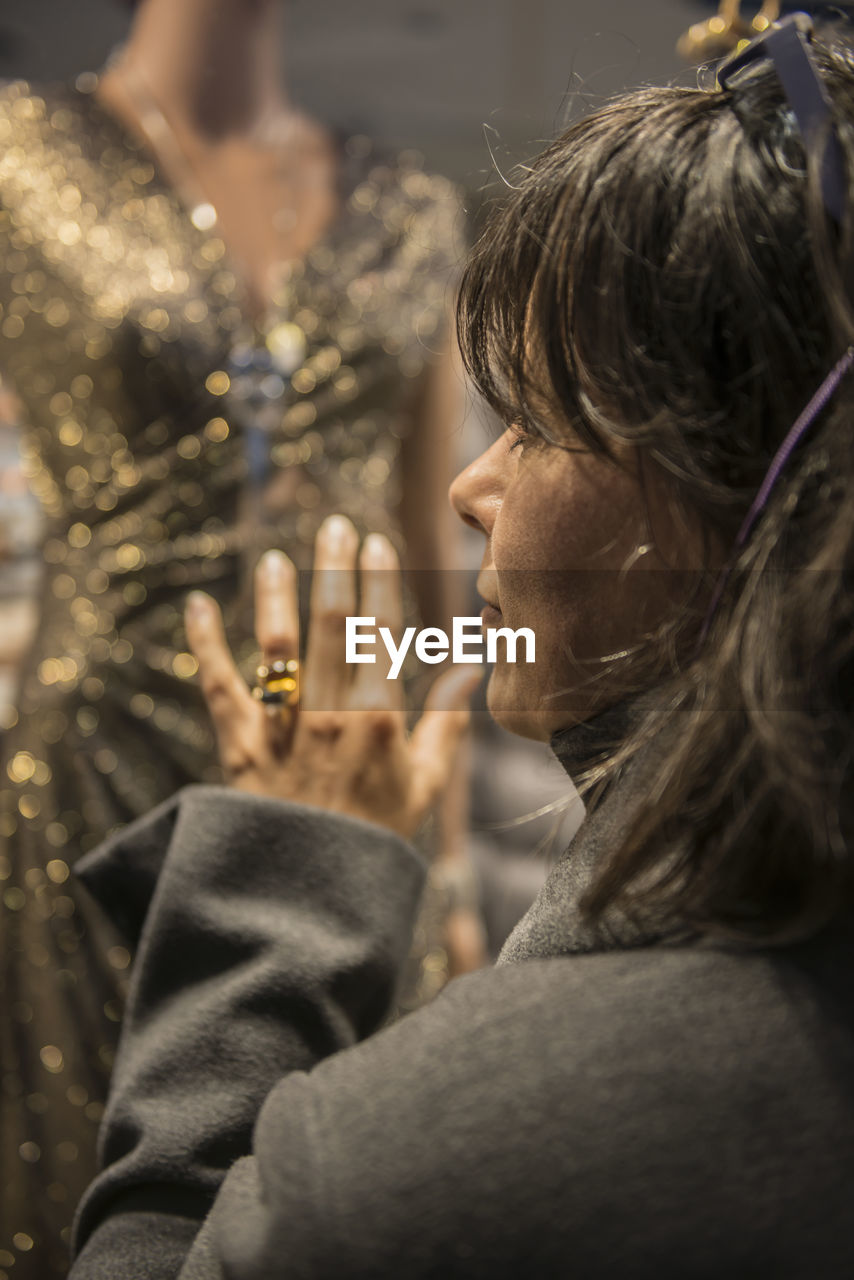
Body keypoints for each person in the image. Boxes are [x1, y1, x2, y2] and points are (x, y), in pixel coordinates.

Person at [66, 14, 854, 1278]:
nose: (475, 483)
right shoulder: (23, 161)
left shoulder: (408, 1158)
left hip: (331, 734)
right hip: (92, 736)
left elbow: (422, 534)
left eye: (536, 418)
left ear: (739, 477)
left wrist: (323, 880)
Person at [0, 0, 468, 1270]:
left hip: (350, 761)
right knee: (105, 1182)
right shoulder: (16, 164)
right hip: (89, 771)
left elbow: (433, 581)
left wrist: (460, 855)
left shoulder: (412, 210)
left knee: (337, 1179)